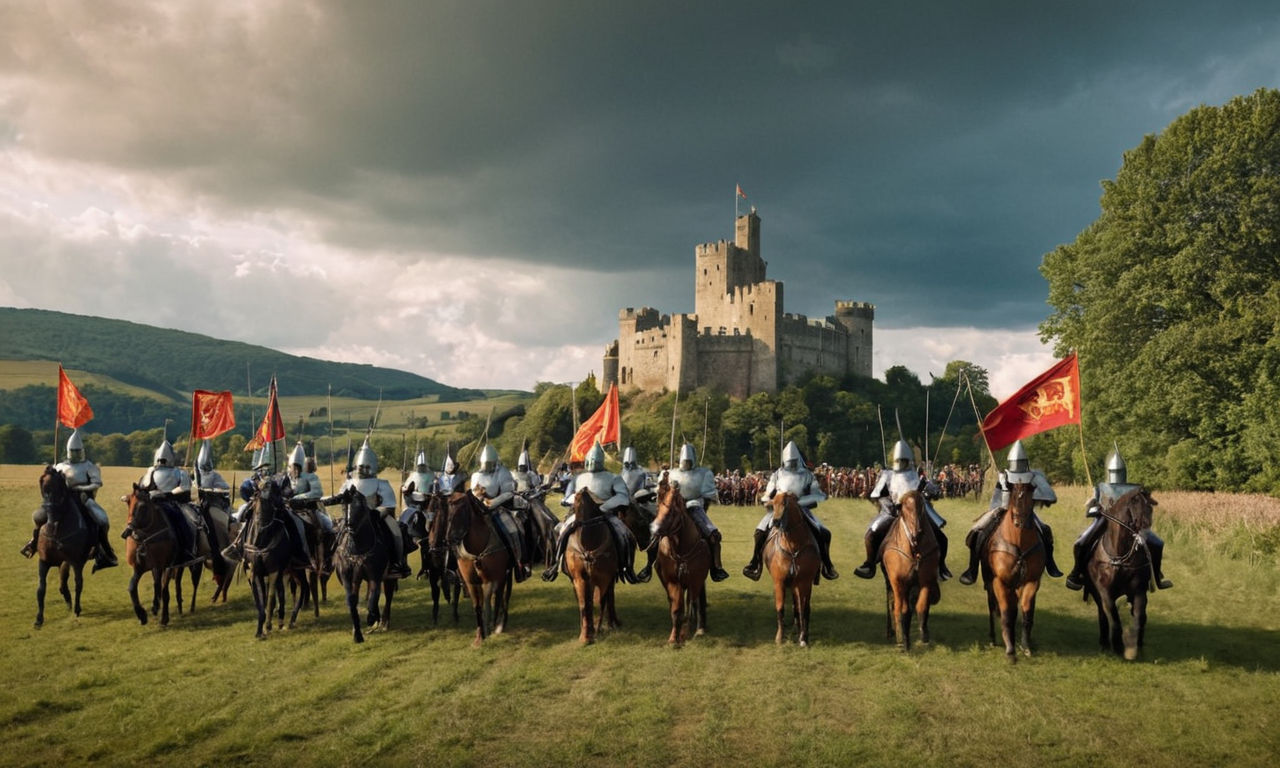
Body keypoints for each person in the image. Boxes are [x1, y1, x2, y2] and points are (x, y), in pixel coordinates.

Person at [1065, 445, 1172, 591]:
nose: (1116, 474)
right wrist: (1093, 504)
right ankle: (1077, 573)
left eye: (1118, 471)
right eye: (1114, 471)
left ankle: (1157, 576)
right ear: (1109, 472)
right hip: (1103, 522)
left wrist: (1142, 526)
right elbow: (1089, 511)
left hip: (1130, 525)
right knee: (1080, 543)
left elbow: (1142, 509)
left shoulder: (1134, 490)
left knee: (1157, 543)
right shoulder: (1100, 489)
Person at [957, 439, 1063, 585]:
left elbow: (1050, 496)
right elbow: (998, 501)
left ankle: (1050, 563)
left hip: (1026, 511)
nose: (1018, 465)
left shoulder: (1034, 477)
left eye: (1020, 462)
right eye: (1016, 462)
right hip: (1000, 510)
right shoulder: (1004, 476)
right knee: (977, 532)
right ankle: (972, 569)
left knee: (1045, 530)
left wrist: (1031, 494)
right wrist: (1005, 488)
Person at [853, 439, 952, 580]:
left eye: (904, 460)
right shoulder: (887, 474)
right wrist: (888, 503)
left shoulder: (918, 475)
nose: (902, 463)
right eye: (900, 460)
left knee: (942, 538)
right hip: (894, 513)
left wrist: (932, 491)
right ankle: (869, 565)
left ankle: (941, 567)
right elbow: (876, 494)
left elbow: (933, 492)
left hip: (917, 513)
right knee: (871, 535)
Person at [543, 441, 640, 583]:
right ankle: (556, 563)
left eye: (595, 461)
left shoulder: (613, 477)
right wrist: (571, 500)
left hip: (605, 514)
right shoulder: (579, 477)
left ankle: (627, 568)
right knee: (562, 530)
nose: (592, 463)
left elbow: (622, 497)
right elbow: (569, 495)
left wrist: (604, 506)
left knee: (625, 534)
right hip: (580, 514)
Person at [22, 429, 118, 572]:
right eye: (72, 451)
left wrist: (80, 488)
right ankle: (34, 542)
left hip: (83, 499)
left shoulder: (89, 466)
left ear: (82, 451)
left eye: (77, 451)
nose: (74, 454)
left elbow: (97, 483)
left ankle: (103, 553)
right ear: (68, 451)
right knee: (40, 516)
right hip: (62, 500)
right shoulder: (60, 466)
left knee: (102, 521)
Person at [743, 441, 839, 581]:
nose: (791, 464)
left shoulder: (807, 474)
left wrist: (797, 502)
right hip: (779, 509)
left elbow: (817, 494)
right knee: (759, 532)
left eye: (793, 461)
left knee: (824, 533)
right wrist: (770, 501)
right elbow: (767, 494)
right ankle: (755, 564)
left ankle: (826, 566)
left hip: (802, 510)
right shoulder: (777, 474)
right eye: (789, 461)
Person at [321, 438, 412, 579]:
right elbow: (341, 500)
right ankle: (329, 562)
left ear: (371, 466)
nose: (362, 469)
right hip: (352, 517)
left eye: (365, 466)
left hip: (377, 517)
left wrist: (373, 515)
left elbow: (388, 506)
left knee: (396, 531)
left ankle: (396, 563)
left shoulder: (381, 484)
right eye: (360, 466)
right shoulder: (349, 483)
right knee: (334, 534)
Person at [666, 443, 730, 582]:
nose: (686, 463)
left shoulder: (703, 473)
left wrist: (696, 504)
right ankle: (651, 563)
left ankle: (716, 568)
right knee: (657, 533)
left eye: (688, 461)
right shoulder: (673, 473)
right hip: (675, 509)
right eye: (684, 461)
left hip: (695, 508)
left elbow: (708, 495)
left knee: (714, 535)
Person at [133, 438, 200, 566]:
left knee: (184, 523)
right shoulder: (150, 471)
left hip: (172, 503)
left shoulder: (179, 472)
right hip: (153, 504)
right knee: (135, 521)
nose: (161, 460)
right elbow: (142, 487)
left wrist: (168, 493)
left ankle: (187, 549)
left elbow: (184, 487)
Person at [469, 444, 530, 582]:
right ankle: (455, 569)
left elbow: (508, 493)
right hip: (479, 511)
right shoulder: (476, 475)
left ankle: (521, 564)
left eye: (489, 463)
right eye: (485, 463)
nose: (487, 465)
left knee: (514, 531)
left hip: (499, 510)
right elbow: (473, 493)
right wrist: (479, 499)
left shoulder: (503, 472)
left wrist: (491, 503)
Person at [621, 446, 660, 582]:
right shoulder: (620, 473)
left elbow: (649, 486)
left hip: (639, 502)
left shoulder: (642, 472)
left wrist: (645, 494)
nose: (628, 463)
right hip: (623, 503)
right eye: (626, 460)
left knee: (652, 525)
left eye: (630, 460)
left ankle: (649, 564)